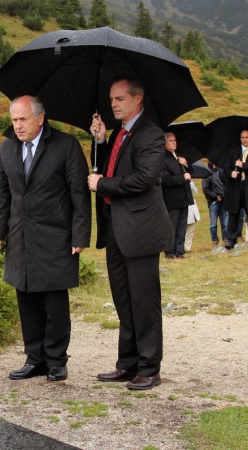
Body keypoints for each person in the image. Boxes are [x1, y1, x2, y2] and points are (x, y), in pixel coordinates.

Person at [0, 95, 91, 383]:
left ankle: (57, 360)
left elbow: (79, 195)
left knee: (54, 301)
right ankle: (35, 359)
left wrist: (80, 234)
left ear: (40, 118)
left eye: (23, 119)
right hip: (20, 235)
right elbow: (3, 194)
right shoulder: (7, 146)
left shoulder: (65, 145)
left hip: (56, 235)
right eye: (14, 120)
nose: (18, 126)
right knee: (26, 298)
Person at [87, 76, 172, 390]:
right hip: (116, 230)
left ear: (138, 99)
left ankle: (149, 368)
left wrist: (103, 185)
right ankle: (128, 364)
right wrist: (99, 141)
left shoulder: (150, 135)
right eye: (111, 100)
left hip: (141, 230)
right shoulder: (120, 134)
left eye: (119, 99)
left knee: (144, 300)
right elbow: (109, 166)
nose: (113, 104)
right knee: (123, 299)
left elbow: (144, 179)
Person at [161, 132, 193, 259]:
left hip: (184, 197)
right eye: (170, 141)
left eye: (174, 140)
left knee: (182, 226)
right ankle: (169, 252)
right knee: (172, 226)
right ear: (164, 143)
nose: (174, 142)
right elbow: (165, 180)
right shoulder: (163, 159)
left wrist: (186, 165)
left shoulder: (179, 156)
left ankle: (180, 251)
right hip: (172, 199)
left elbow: (190, 172)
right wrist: (182, 178)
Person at [202, 162, 227, 246]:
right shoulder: (207, 174)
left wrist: (224, 195)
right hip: (213, 202)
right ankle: (214, 240)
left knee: (225, 223)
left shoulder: (222, 172)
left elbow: (226, 185)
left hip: (224, 201)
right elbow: (205, 189)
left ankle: (226, 239)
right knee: (213, 223)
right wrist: (215, 196)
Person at [184, 182, 200, 253]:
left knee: (190, 231)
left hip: (191, 209)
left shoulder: (190, 181)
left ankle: (187, 248)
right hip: (182, 208)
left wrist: (189, 182)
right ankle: (180, 247)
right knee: (182, 231)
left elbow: (195, 191)